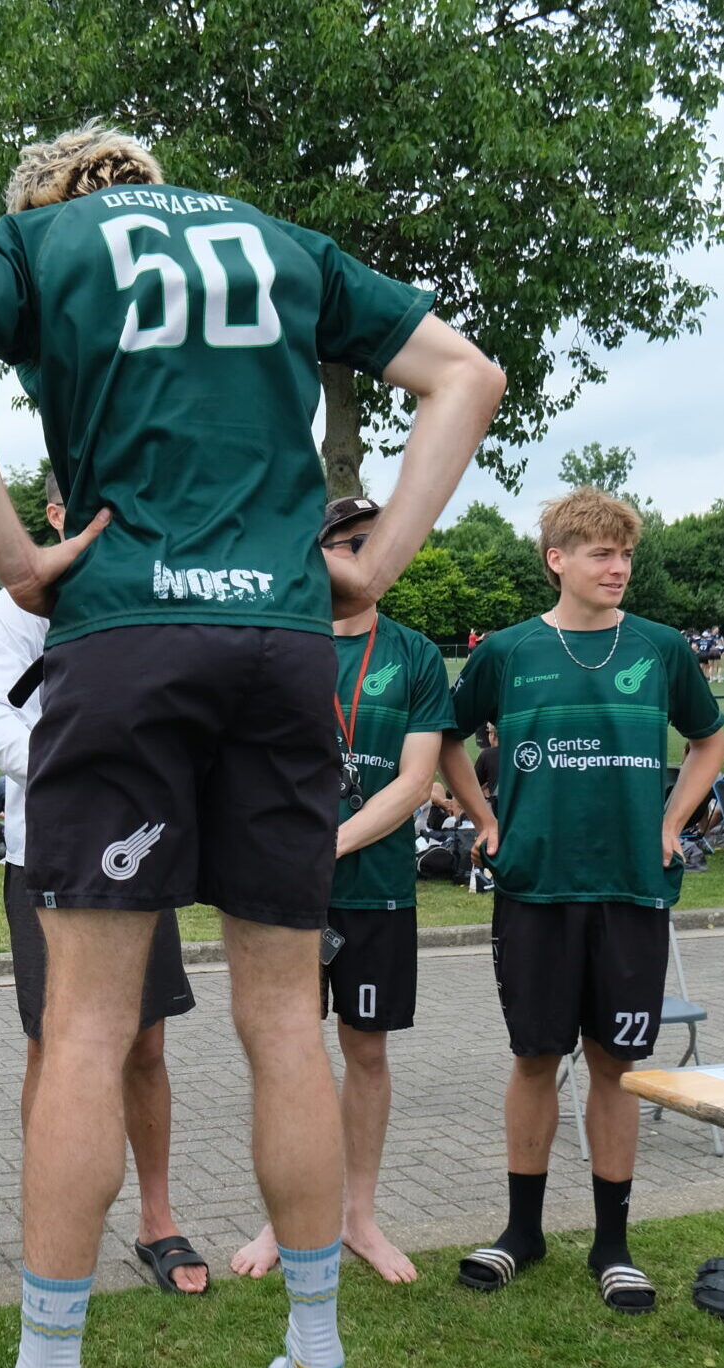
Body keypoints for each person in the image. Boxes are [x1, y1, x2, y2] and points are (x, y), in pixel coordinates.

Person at [0, 119, 504, 1368]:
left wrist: (15, 556)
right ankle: (316, 1354)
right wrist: (375, 562)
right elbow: (468, 372)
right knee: (283, 1019)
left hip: (127, 637)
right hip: (281, 646)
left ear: (48, 196)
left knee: (85, 1031)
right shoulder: (279, 244)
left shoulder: (35, 242)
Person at [452, 488, 724, 1315]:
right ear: (556, 559)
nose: (618, 568)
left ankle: (612, 1245)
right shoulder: (507, 651)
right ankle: (520, 1232)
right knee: (534, 1058)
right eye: (601, 553)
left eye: (625, 554)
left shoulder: (661, 648)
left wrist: (672, 821)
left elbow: (708, 740)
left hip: (631, 888)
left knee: (614, 1064)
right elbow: (442, 736)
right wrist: (484, 819)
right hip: (534, 886)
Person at [0, 470, 207, 1295]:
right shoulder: (21, 606)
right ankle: (54, 1220)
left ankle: (157, 1219)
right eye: (91, 505)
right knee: (56, 1046)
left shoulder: (157, 595)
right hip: (47, 849)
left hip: (138, 847)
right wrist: (83, 775)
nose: (113, 519)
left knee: (146, 1043)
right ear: (54, 514)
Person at [230, 496, 460, 1286]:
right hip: (283, 895)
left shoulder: (415, 654)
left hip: (375, 888)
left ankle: (358, 1216)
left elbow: (416, 781)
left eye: (378, 541)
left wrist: (327, 845)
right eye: (351, 542)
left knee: (366, 1051)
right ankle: (285, 1214)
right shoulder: (275, 643)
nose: (368, 554)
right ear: (316, 552)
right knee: (287, 1054)